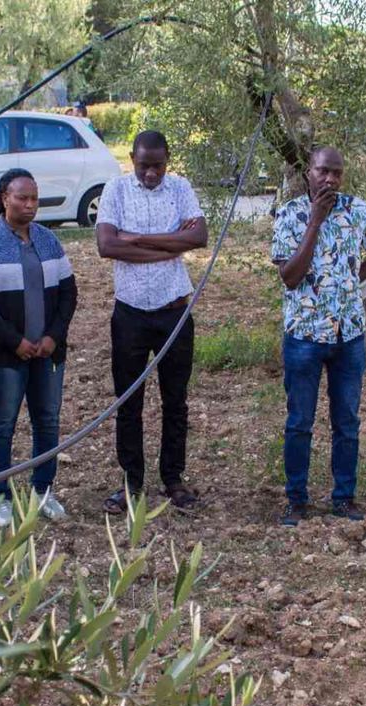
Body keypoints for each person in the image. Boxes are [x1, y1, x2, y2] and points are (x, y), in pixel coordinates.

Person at [270, 147, 366, 526]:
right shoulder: (290, 214)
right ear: (308, 172)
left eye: (337, 173)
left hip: (349, 335)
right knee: (299, 422)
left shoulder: (357, 209)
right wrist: (315, 222)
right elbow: (289, 276)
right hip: (304, 335)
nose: (331, 180)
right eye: (323, 171)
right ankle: (296, 499)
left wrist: (348, 280)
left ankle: (344, 497)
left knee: (347, 422)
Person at [95, 130, 208, 515]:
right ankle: (131, 481)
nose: (151, 173)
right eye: (144, 164)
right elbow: (107, 245)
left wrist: (138, 240)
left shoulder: (180, 188)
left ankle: (173, 478)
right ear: (132, 158)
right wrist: (169, 244)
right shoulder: (116, 189)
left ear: (167, 160)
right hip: (129, 312)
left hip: (174, 310)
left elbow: (199, 236)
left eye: (158, 165)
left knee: (175, 400)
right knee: (129, 400)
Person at [0, 169, 77, 528]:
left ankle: (43, 491)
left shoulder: (48, 241)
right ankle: (0, 499)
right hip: (2, 357)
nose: (29, 205)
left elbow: (69, 293)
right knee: (1, 425)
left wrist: (53, 337)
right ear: (3, 198)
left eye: (34, 198)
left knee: (47, 421)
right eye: (21, 197)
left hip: (47, 353)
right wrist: (15, 341)